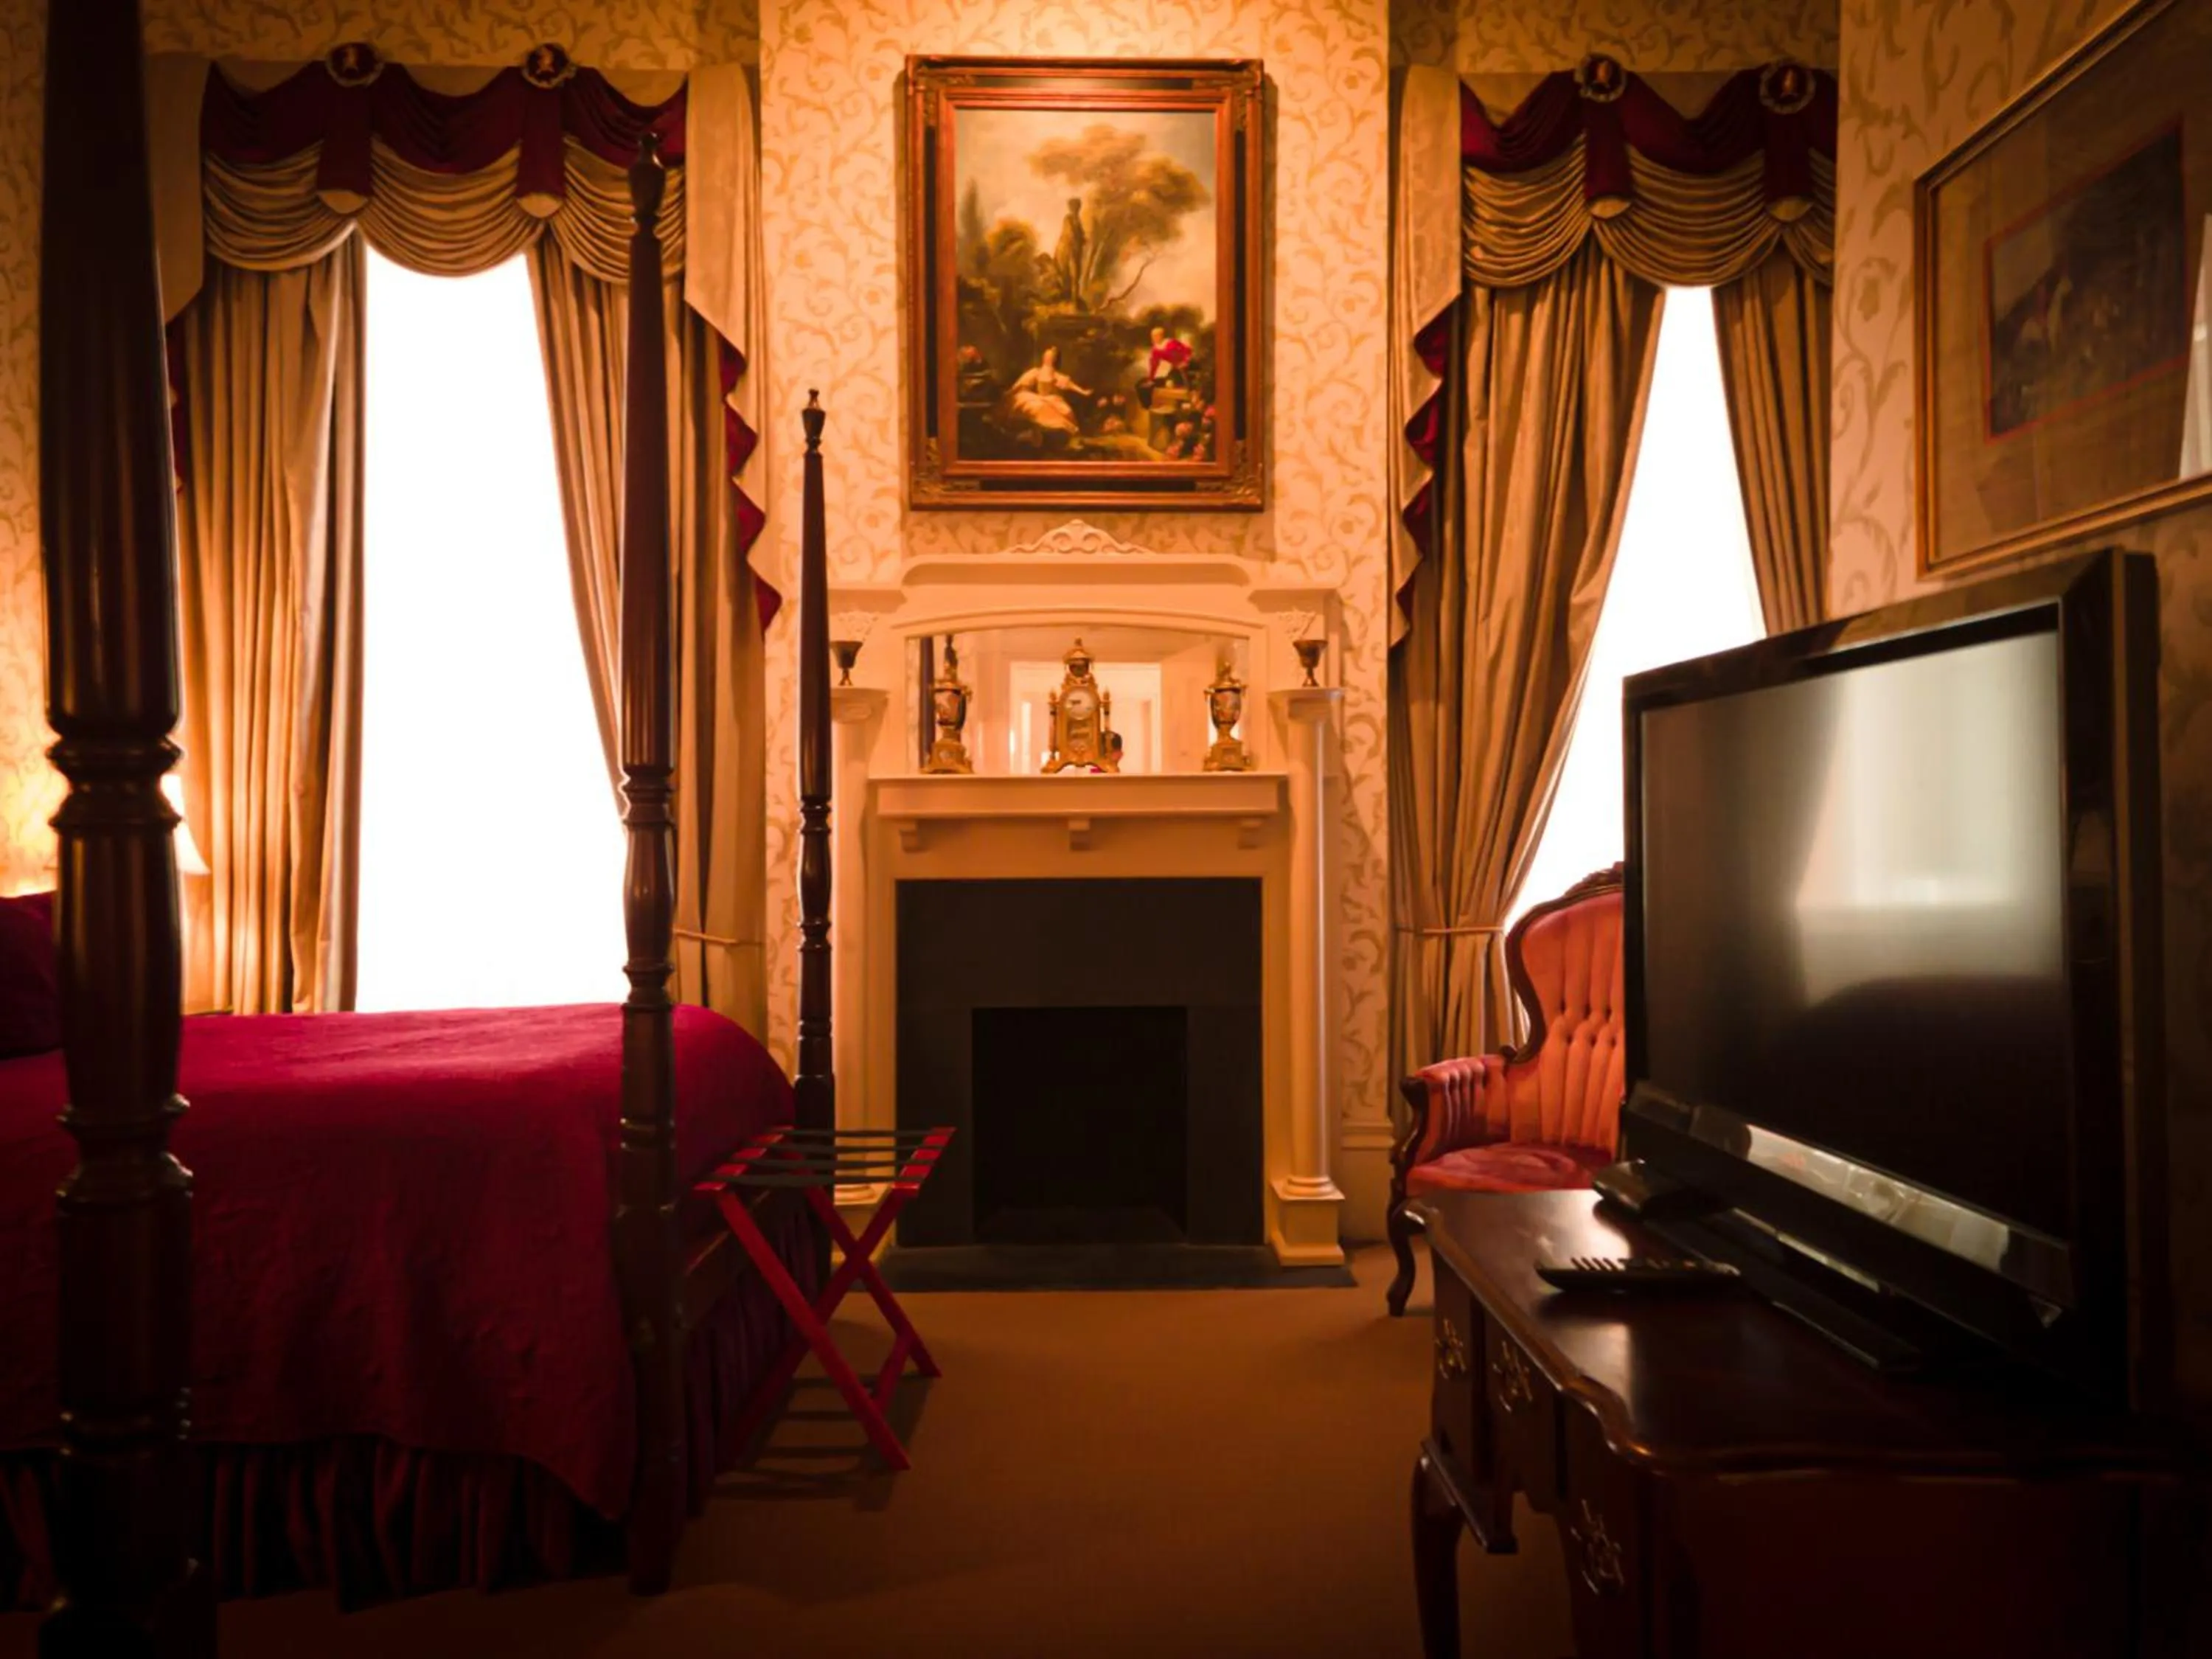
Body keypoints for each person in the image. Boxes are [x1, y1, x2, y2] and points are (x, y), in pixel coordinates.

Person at [1006, 347, 1092, 438]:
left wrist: (1083, 392)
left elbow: (1070, 385)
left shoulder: (1056, 375)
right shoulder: (1036, 372)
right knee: (1036, 407)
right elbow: (1022, 383)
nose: (1047, 358)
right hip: (1040, 398)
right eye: (1046, 356)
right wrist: (1011, 391)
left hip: (1053, 399)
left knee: (1066, 412)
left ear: (1054, 359)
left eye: (1050, 356)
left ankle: (1059, 433)